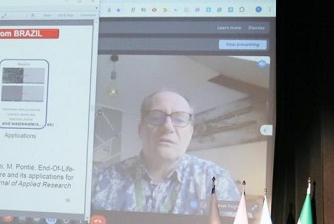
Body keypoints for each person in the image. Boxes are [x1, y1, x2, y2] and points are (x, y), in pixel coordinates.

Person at [91, 90, 241, 214]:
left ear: (190, 132)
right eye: (156, 118)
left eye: (179, 120)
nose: (168, 127)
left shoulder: (215, 180)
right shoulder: (101, 182)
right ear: (141, 129)